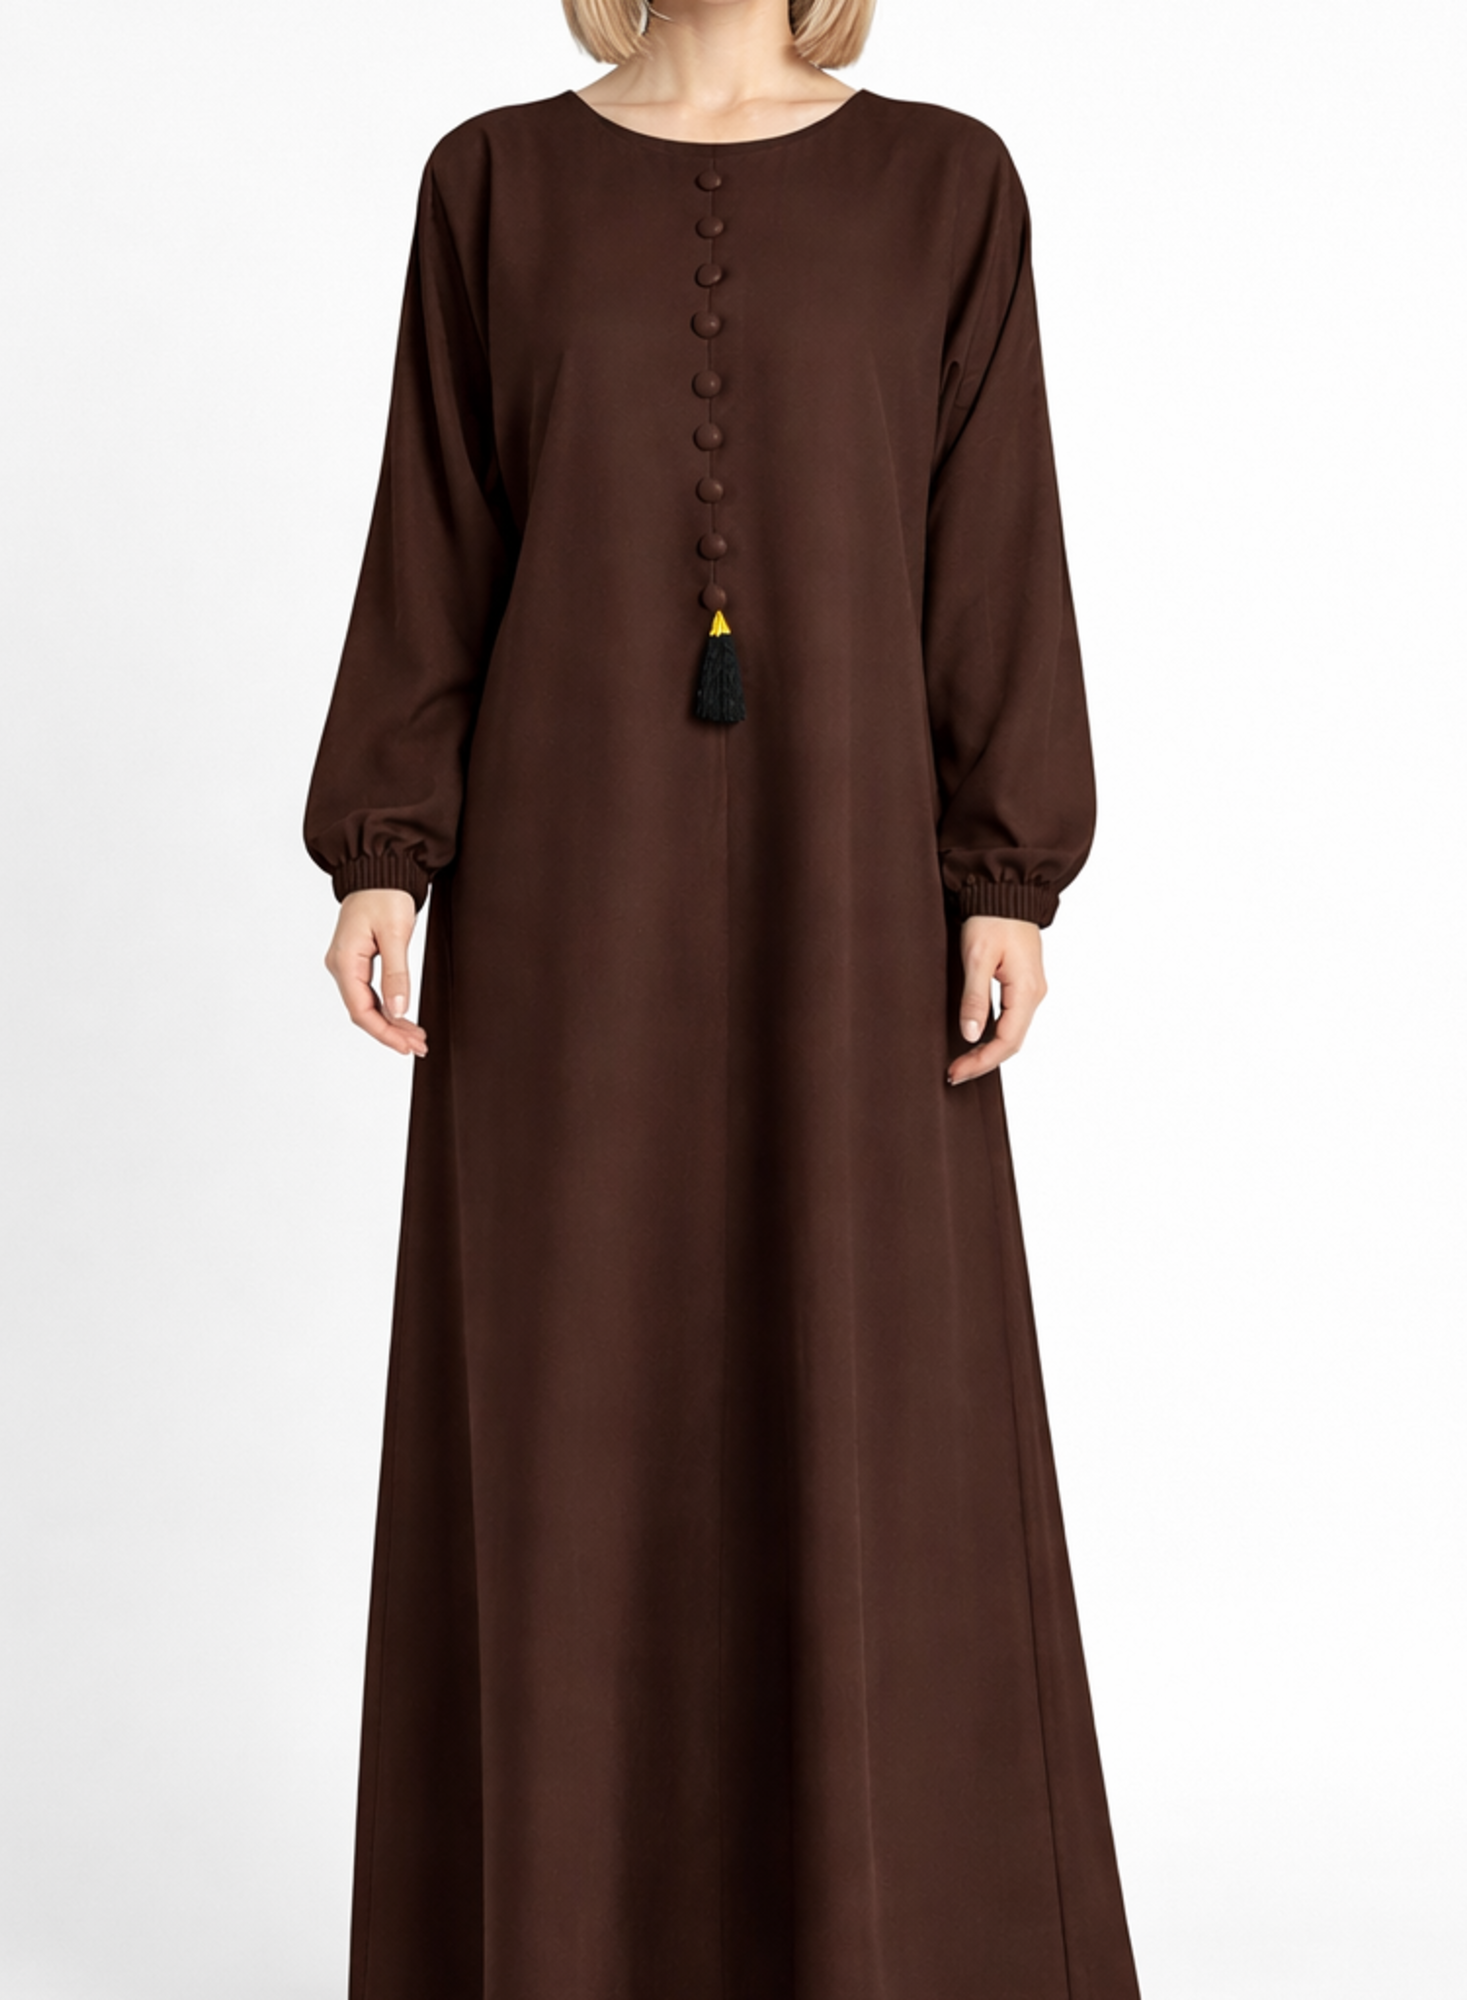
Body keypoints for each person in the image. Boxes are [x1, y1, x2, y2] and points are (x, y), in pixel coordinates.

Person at [301, 1, 1142, 1993]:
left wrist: (1005, 870)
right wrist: (382, 844)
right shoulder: (492, 187)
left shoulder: (945, 186)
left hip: (858, 903)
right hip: (559, 907)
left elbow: (991, 540)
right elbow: (437, 532)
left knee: (871, 1393)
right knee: (570, 1407)